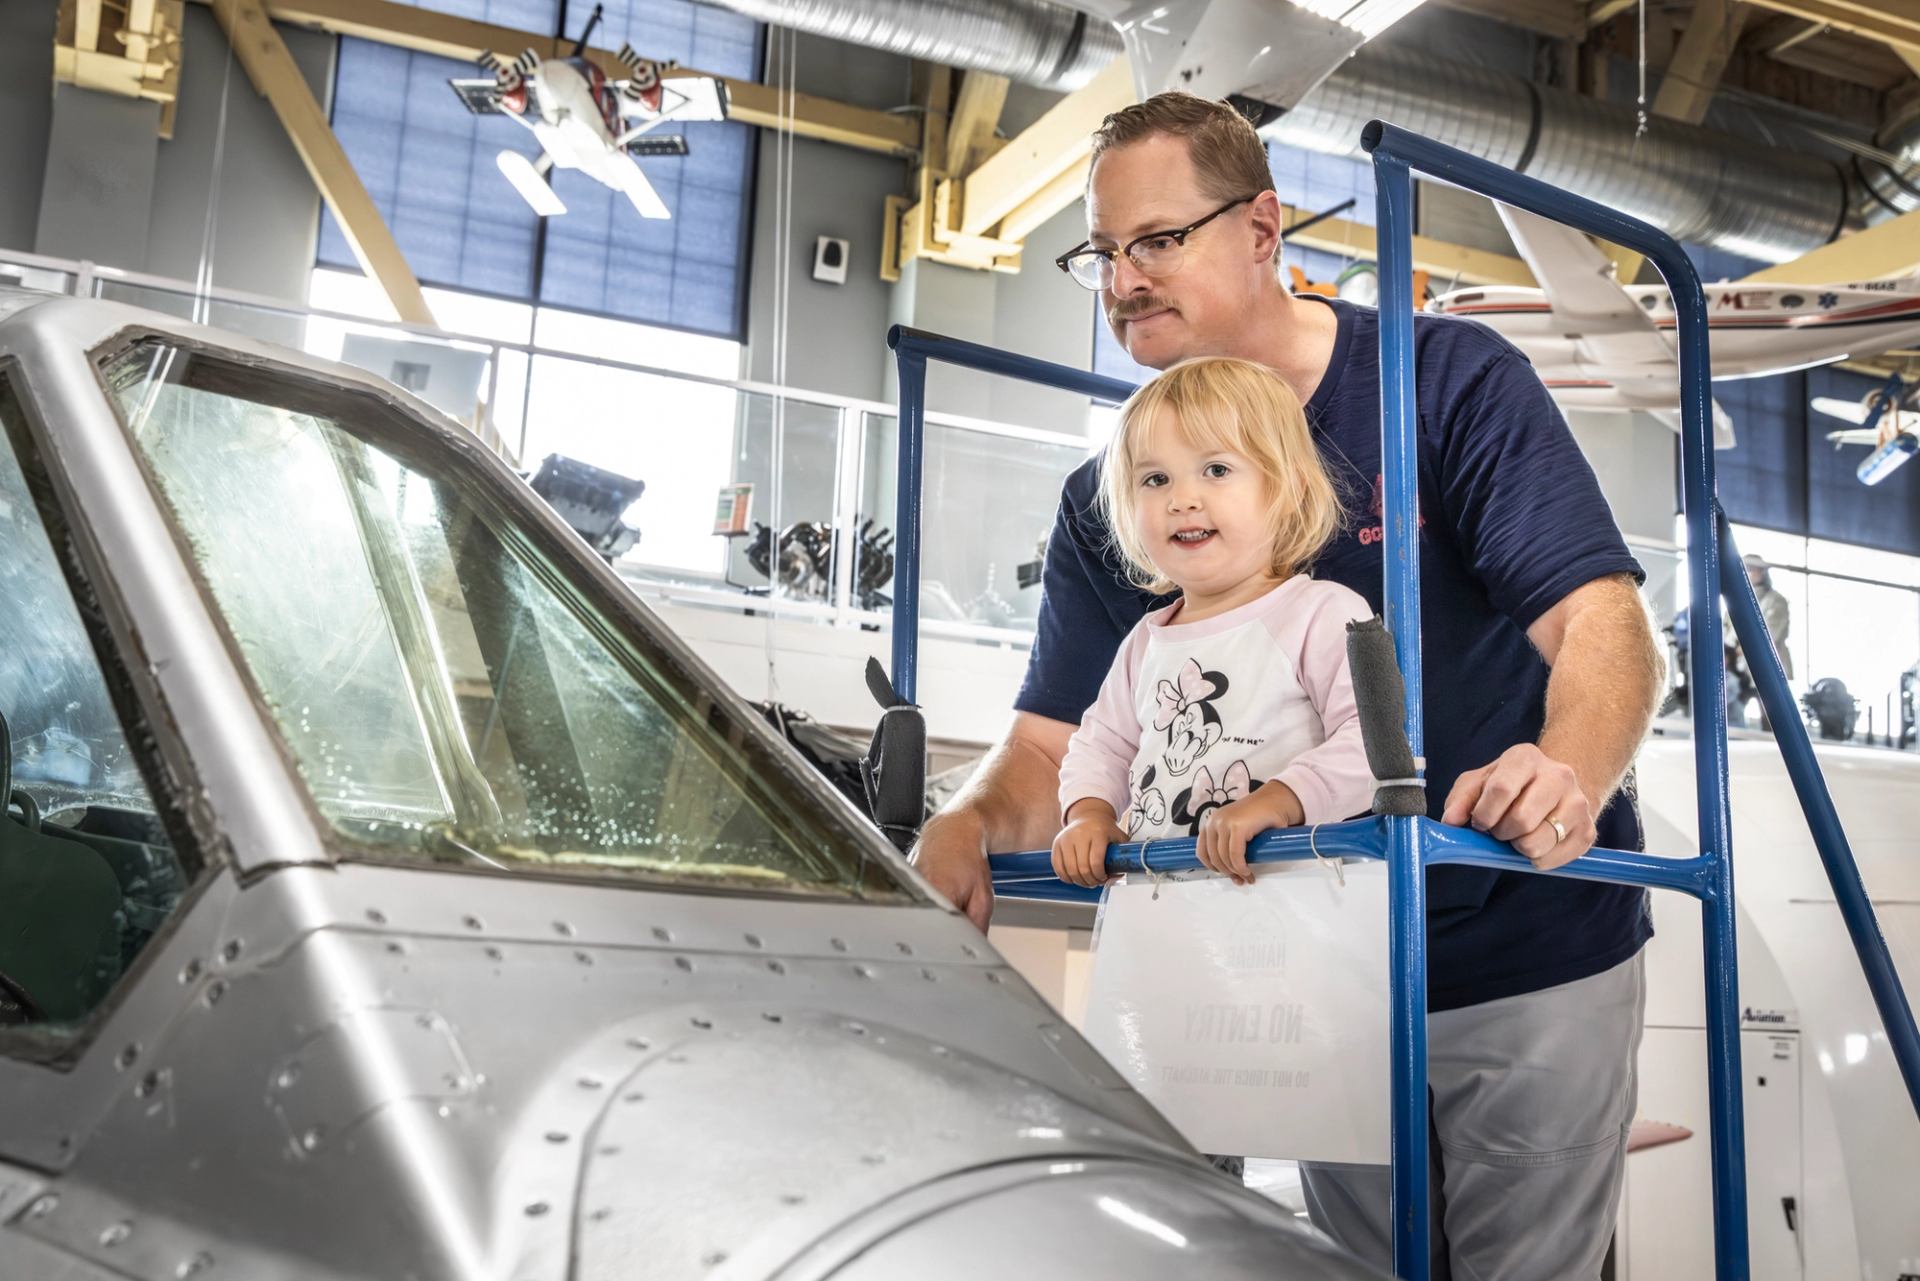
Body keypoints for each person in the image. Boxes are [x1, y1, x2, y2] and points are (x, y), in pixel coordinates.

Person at [911, 91, 1665, 1279]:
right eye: (1103, 254)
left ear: (1265, 230)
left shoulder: (1442, 384)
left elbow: (1603, 623)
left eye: (1158, 240)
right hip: (1313, 968)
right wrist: (961, 824)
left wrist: (1564, 772)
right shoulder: (1118, 500)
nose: (1124, 280)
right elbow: (1056, 746)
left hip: (1522, 935)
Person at [1049, 355, 1375, 888]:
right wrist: (1088, 812)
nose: (1181, 499)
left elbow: (1374, 745)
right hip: (1157, 909)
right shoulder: (1146, 641)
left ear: (1287, 488)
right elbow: (1101, 745)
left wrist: (1283, 798)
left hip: (1285, 907)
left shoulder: (1321, 614)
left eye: (1217, 470)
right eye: (1155, 479)